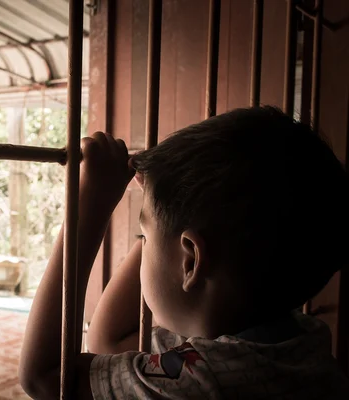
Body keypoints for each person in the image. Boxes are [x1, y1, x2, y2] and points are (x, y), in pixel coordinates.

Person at [18, 106, 349, 399]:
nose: (142, 244)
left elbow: (46, 379)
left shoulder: (203, 380)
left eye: (143, 236)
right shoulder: (305, 344)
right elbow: (108, 340)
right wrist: (164, 208)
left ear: (190, 261)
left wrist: (90, 205)